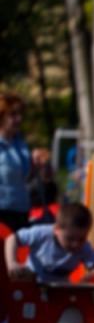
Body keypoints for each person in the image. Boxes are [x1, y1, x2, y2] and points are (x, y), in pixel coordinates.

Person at [5, 202, 94, 283]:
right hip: (31, 281)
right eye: (70, 238)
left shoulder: (84, 247)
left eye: (81, 239)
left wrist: (86, 280)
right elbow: (12, 239)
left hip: (58, 289)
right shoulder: (42, 234)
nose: (76, 244)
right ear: (56, 229)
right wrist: (12, 263)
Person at [0, 92, 31, 231]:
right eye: (13, 115)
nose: (19, 119)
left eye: (20, 114)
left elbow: (24, 178)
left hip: (21, 212)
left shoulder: (21, 144)